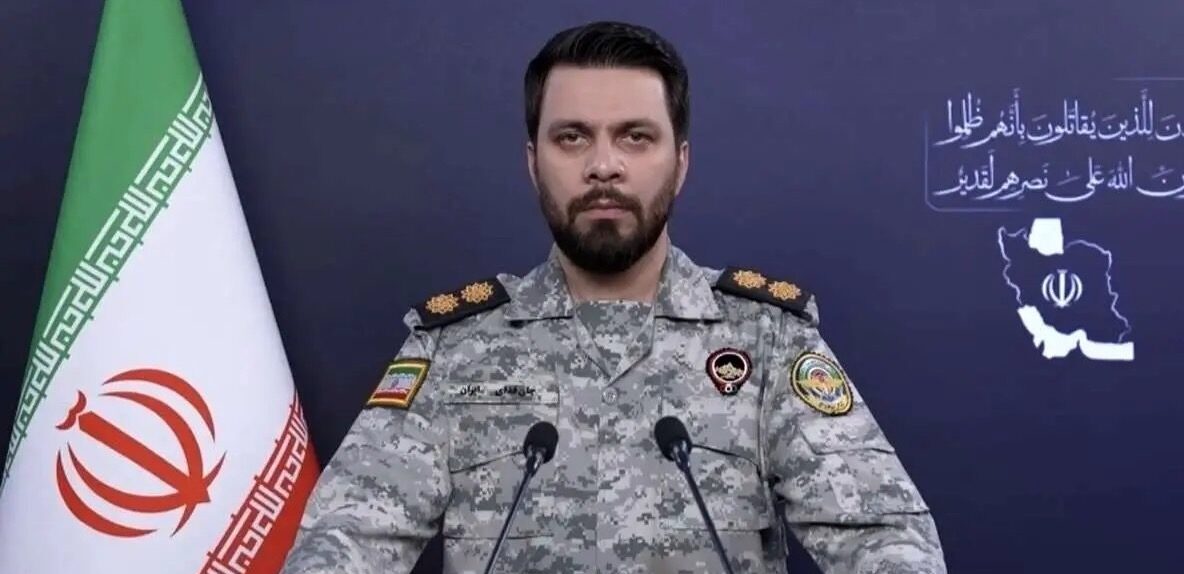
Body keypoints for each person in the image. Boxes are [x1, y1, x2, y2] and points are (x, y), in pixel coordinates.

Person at [282, 20, 946, 574]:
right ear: (533, 162)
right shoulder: (454, 349)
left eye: (636, 136)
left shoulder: (767, 340)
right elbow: (343, 542)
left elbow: (887, 538)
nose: (604, 165)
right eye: (572, 137)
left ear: (680, 163)